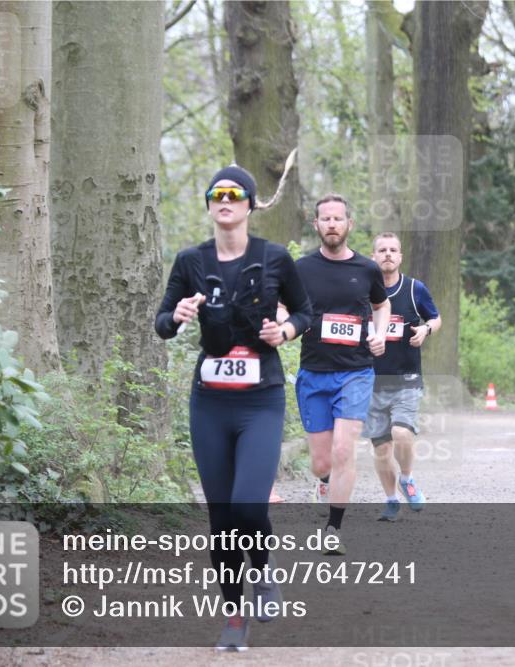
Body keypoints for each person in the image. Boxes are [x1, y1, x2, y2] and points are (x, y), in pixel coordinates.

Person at [155, 165, 312, 651]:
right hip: (210, 403)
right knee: (221, 520)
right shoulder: (190, 261)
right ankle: (234, 617)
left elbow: (305, 312)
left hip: (260, 400)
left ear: (250, 204)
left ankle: (261, 570)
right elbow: (162, 323)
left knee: (248, 505)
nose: (225, 200)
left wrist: (284, 331)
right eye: (217, 194)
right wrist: (177, 314)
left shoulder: (274, 258)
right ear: (209, 204)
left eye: (234, 194)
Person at [294, 194, 390, 555]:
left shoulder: (367, 269)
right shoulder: (302, 268)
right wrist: (285, 323)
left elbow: (382, 305)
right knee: (322, 462)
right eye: (325, 219)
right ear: (316, 225)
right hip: (313, 372)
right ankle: (324, 480)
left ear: (349, 224)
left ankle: (333, 529)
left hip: (355, 372)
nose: (332, 224)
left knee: (343, 450)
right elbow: (284, 306)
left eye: (338, 218)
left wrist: (379, 333)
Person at [365, 232, 441, 521]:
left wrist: (426, 329)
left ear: (400, 256)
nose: (387, 254)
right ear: (373, 256)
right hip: (370, 381)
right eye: (382, 250)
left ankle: (407, 479)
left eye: (393, 250)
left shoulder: (414, 289)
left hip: (406, 379)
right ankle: (390, 500)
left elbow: (435, 317)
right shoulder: (362, 291)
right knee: (382, 448)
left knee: (401, 433)